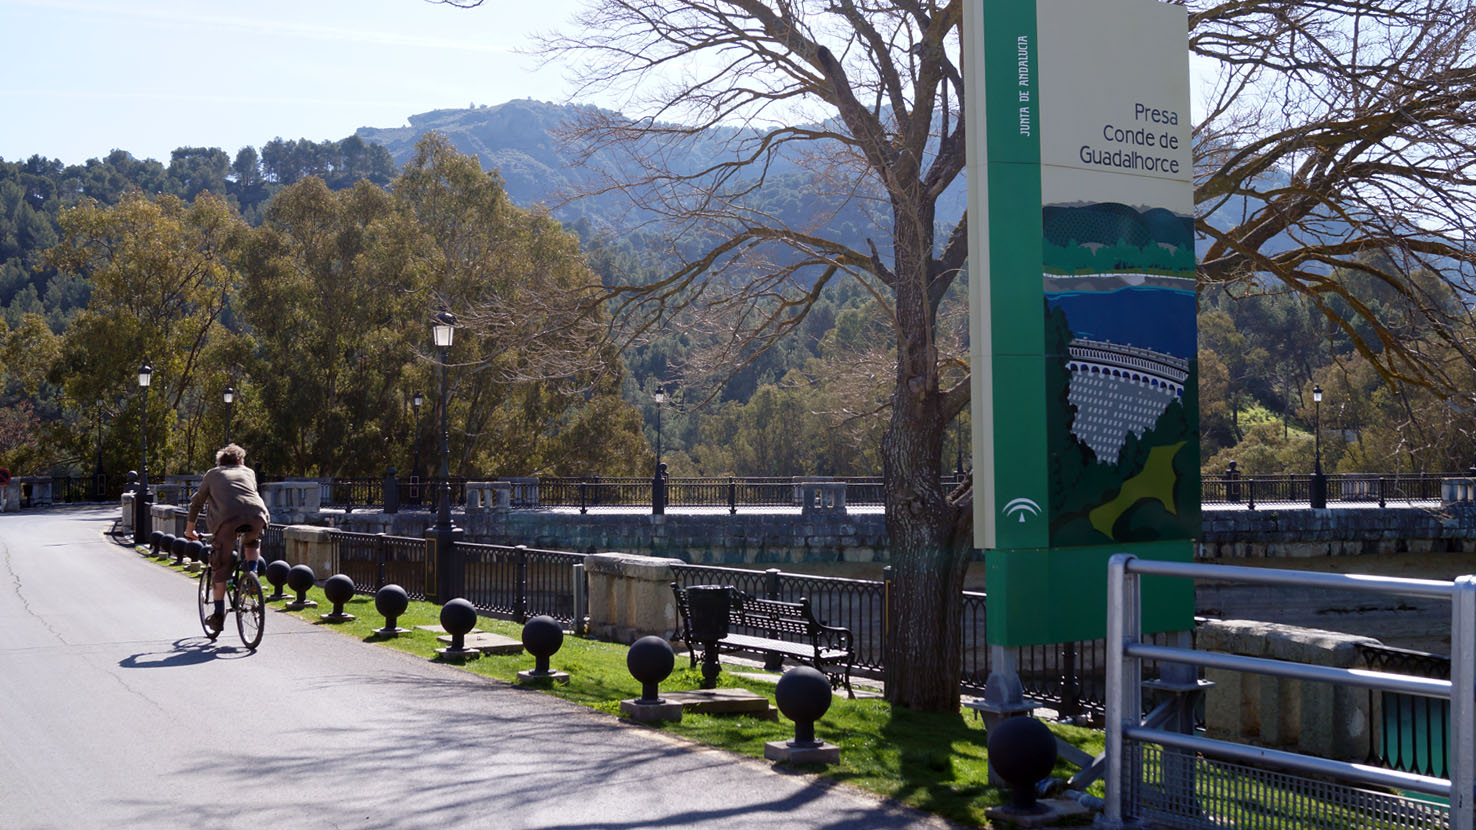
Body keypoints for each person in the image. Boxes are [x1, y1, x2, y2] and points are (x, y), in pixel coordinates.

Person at [185, 444, 271, 633]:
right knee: (252, 541)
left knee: (221, 568)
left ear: (220, 461)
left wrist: (189, 530)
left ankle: (217, 616)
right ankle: (252, 574)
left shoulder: (213, 474)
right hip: (257, 515)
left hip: (227, 520)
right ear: (240, 460)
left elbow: (197, 502)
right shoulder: (248, 472)